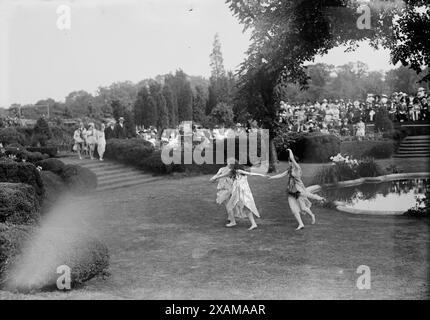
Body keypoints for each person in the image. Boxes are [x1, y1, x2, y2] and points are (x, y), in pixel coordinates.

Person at [268, 149, 324, 230]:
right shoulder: (289, 169)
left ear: (293, 162)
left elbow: (292, 158)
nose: (289, 163)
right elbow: (281, 175)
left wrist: (290, 150)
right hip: (291, 191)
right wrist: (271, 177)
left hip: (299, 190)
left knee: (303, 208)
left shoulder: (298, 168)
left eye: (290, 161)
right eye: (288, 161)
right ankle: (301, 224)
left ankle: (313, 213)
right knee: (293, 209)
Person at [211, 160, 267, 230]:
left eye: (229, 164)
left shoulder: (239, 171)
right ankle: (250, 223)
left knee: (245, 207)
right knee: (238, 207)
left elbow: (249, 173)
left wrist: (262, 175)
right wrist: (215, 177)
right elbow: (222, 175)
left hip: (243, 192)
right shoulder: (232, 172)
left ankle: (251, 223)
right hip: (237, 192)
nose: (228, 165)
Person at [210, 158, 235, 227]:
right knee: (229, 204)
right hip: (228, 188)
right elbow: (217, 175)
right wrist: (213, 178)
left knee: (228, 205)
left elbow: (219, 176)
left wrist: (214, 178)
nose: (230, 163)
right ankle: (230, 217)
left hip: (228, 189)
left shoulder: (232, 170)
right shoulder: (222, 169)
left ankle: (233, 221)